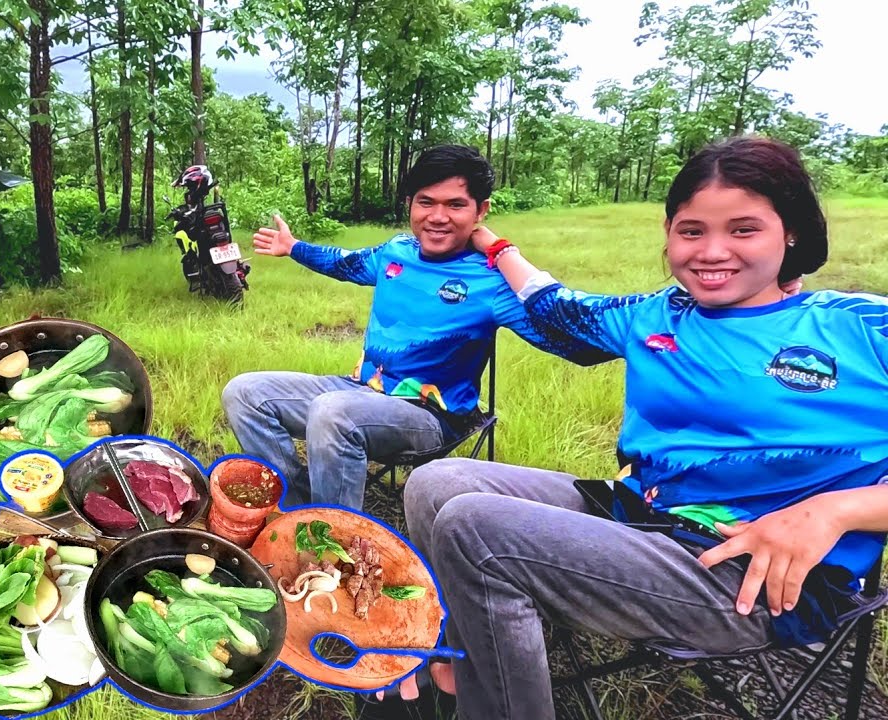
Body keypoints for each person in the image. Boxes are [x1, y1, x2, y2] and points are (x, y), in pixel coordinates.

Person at [404, 136, 888, 720]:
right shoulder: (658, 315)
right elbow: (557, 305)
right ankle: (466, 666)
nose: (712, 252)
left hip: (753, 575)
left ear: (791, 232)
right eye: (691, 231)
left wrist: (833, 512)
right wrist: (488, 238)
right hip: (643, 519)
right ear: (668, 233)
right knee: (435, 483)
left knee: (474, 527)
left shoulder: (863, 329)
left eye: (743, 229)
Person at [221, 145, 607, 510]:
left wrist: (503, 250)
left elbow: (571, 341)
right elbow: (346, 262)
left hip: (429, 416)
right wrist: (295, 247)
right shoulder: (396, 252)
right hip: (359, 389)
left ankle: (334, 541)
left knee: (332, 411)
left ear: (481, 210)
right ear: (410, 204)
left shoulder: (491, 282)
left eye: (455, 205)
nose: (437, 217)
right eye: (426, 202)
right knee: (244, 393)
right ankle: (297, 503)